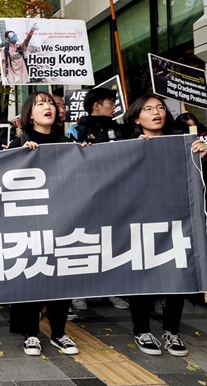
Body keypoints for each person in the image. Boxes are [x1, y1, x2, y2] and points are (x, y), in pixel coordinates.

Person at [122, 94, 207, 357]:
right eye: (148, 109)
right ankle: (142, 329)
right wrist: (131, 151)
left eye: (160, 107)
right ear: (137, 118)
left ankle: (172, 332)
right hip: (141, 219)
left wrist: (203, 154)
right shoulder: (127, 145)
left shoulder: (183, 142)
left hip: (177, 218)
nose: (156, 112)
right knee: (142, 274)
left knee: (177, 275)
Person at [7, 91, 79, 357]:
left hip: (62, 219)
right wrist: (20, 157)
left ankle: (59, 332)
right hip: (28, 222)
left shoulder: (67, 142)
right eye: (40, 104)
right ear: (29, 113)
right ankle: (31, 334)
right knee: (30, 274)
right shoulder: (20, 142)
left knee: (61, 277)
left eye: (50, 103)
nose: (47, 107)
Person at [64, 87, 131, 312]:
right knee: (84, 242)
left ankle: (110, 289)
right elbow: (67, 162)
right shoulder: (76, 130)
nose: (114, 106)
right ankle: (77, 290)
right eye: (110, 102)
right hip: (85, 196)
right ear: (96, 105)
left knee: (111, 242)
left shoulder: (122, 130)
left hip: (117, 195)